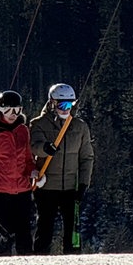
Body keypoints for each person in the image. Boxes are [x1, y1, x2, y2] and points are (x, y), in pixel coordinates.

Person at [29, 82, 94, 254]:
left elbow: (86, 157)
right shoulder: (39, 124)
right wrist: (45, 148)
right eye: (61, 105)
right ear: (52, 103)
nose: (66, 109)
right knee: (45, 229)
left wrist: (83, 184)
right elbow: (33, 146)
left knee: (73, 232)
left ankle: (73, 264)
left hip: (70, 188)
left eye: (70, 105)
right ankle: (39, 264)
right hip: (47, 187)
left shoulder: (80, 127)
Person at [0, 89, 41, 256]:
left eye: (17, 110)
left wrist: (33, 172)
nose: (13, 114)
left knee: (25, 233)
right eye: (8, 110)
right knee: (6, 232)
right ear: (0, 110)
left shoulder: (22, 130)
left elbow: (27, 159)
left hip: (22, 189)